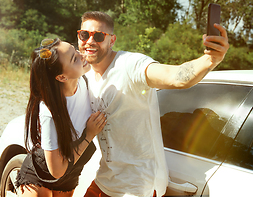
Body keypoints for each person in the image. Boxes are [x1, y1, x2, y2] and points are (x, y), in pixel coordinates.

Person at [77, 11, 229, 197]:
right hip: (105, 181)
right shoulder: (85, 77)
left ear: (112, 40)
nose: (90, 41)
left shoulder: (130, 64)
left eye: (98, 36)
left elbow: (176, 77)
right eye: (84, 35)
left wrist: (211, 59)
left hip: (138, 188)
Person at [15, 38, 107, 197]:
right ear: (62, 77)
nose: (81, 55)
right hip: (42, 174)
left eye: (75, 50)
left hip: (71, 171)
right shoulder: (49, 112)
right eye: (74, 58)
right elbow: (57, 170)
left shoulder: (87, 81)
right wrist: (89, 135)